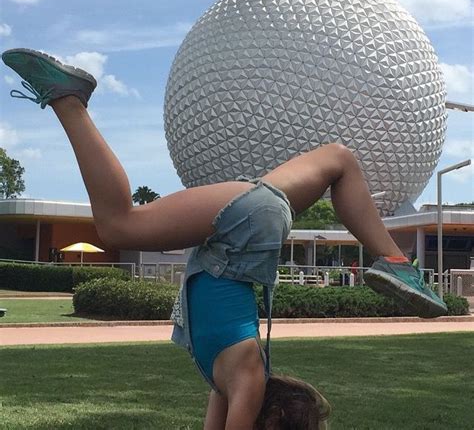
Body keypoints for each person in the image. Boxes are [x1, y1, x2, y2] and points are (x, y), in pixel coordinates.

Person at [2, 48, 447, 429]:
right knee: (119, 225)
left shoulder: (229, 381)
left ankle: (395, 260)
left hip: (247, 221)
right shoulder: (243, 378)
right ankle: (69, 101)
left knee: (338, 158)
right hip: (242, 230)